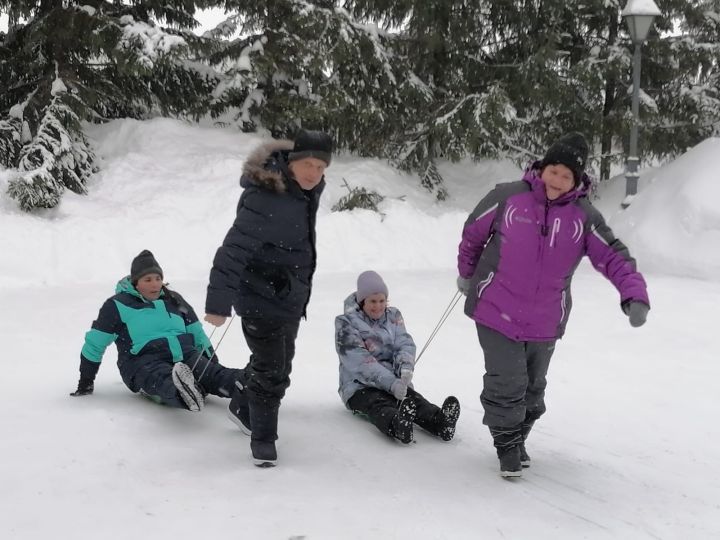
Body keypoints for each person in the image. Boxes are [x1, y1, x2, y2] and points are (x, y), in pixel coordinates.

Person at [456, 132, 650, 478]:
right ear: (542, 168)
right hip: (495, 307)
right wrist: (467, 275)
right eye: (553, 171)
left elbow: (613, 255)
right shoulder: (507, 197)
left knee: (533, 388)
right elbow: (473, 233)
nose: (557, 180)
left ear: (577, 180)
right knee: (507, 380)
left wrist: (633, 293)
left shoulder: (583, 217)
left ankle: (519, 436)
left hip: (545, 319)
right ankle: (507, 446)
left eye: (566, 175)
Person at [204, 129, 332, 467]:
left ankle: (243, 403)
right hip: (260, 295)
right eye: (307, 163)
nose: (313, 172)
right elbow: (232, 251)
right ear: (292, 160)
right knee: (273, 370)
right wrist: (218, 302)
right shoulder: (268, 197)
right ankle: (263, 438)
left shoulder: (305, 193)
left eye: (321, 167)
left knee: (279, 364)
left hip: (289, 296)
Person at [71, 250, 241, 411]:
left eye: (158, 278)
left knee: (218, 375)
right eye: (148, 279)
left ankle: (255, 387)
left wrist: (212, 365)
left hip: (186, 354)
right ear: (135, 282)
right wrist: (86, 381)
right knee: (162, 379)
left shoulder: (174, 299)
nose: (155, 284)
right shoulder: (117, 305)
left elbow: (197, 333)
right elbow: (95, 343)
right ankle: (184, 393)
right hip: (143, 360)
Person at [335, 270, 460, 445]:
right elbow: (359, 361)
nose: (378, 306)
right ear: (362, 302)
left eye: (382, 301)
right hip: (358, 386)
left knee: (414, 401)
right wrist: (391, 383)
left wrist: (405, 368)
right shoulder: (346, 323)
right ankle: (397, 425)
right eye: (372, 301)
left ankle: (440, 422)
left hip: (393, 380)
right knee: (378, 404)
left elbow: (404, 343)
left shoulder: (393, 316)